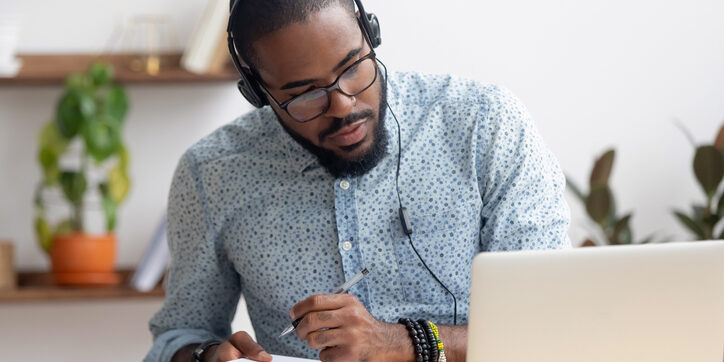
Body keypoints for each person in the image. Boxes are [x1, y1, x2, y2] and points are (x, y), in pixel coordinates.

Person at [145, 0, 571, 361]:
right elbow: (177, 337)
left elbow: (551, 324)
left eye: (352, 67)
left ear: (371, 34)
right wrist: (204, 356)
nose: (344, 105)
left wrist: (402, 342)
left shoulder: (484, 124)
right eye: (304, 93)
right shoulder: (212, 173)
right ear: (259, 93)